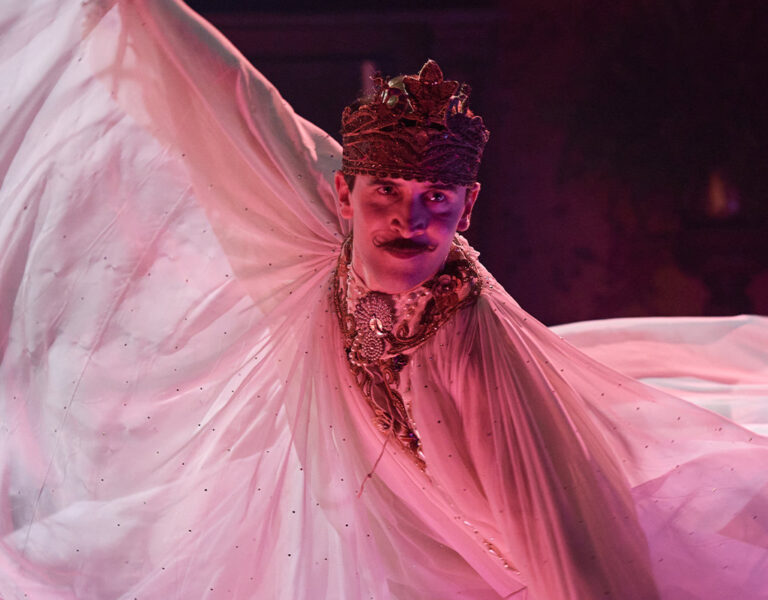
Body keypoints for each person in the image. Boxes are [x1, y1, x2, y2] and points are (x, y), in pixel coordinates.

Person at [1, 1, 767, 599]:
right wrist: (135, 15)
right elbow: (227, 109)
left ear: (467, 211)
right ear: (342, 194)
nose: (410, 220)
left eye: (437, 199)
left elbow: (558, 518)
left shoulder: (465, 331)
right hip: (332, 502)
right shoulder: (310, 231)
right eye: (386, 196)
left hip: (455, 528)